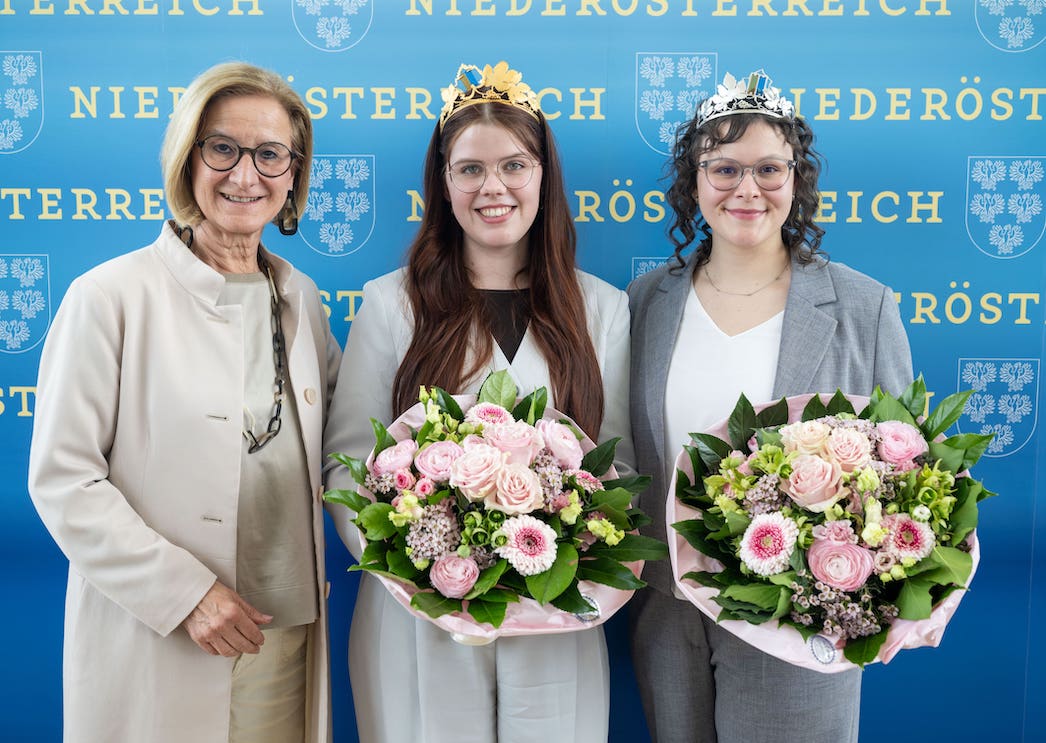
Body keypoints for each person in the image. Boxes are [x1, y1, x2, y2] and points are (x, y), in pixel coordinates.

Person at [27, 61, 340, 743]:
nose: (245, 174)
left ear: (293, 174)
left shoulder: (302, 299)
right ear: (187, 159)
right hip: (162, 638)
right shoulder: (109, 297)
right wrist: (186, 594)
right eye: (222, 148)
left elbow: (346, 444)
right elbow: (64, 480)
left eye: (270, 154)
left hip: (284, 637)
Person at [322, 60, 633, 743]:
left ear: (544, 176)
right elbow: (348, 463)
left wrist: (573, 562)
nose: (493, 187)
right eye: (470, 169)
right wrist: (419, 565)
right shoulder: (392, 303)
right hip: (420, 619)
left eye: (514, 166)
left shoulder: (602, 309)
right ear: (443, 182)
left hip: (557, 616)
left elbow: (620, 470)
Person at [627, 70, 913, 743]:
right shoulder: (644, 303)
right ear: (694, 182)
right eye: (724, 168)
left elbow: (908, 468)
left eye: (768, 169)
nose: (747, 189)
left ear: (796, 178)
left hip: (802, 615)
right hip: (668, 612)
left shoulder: (865, 307)